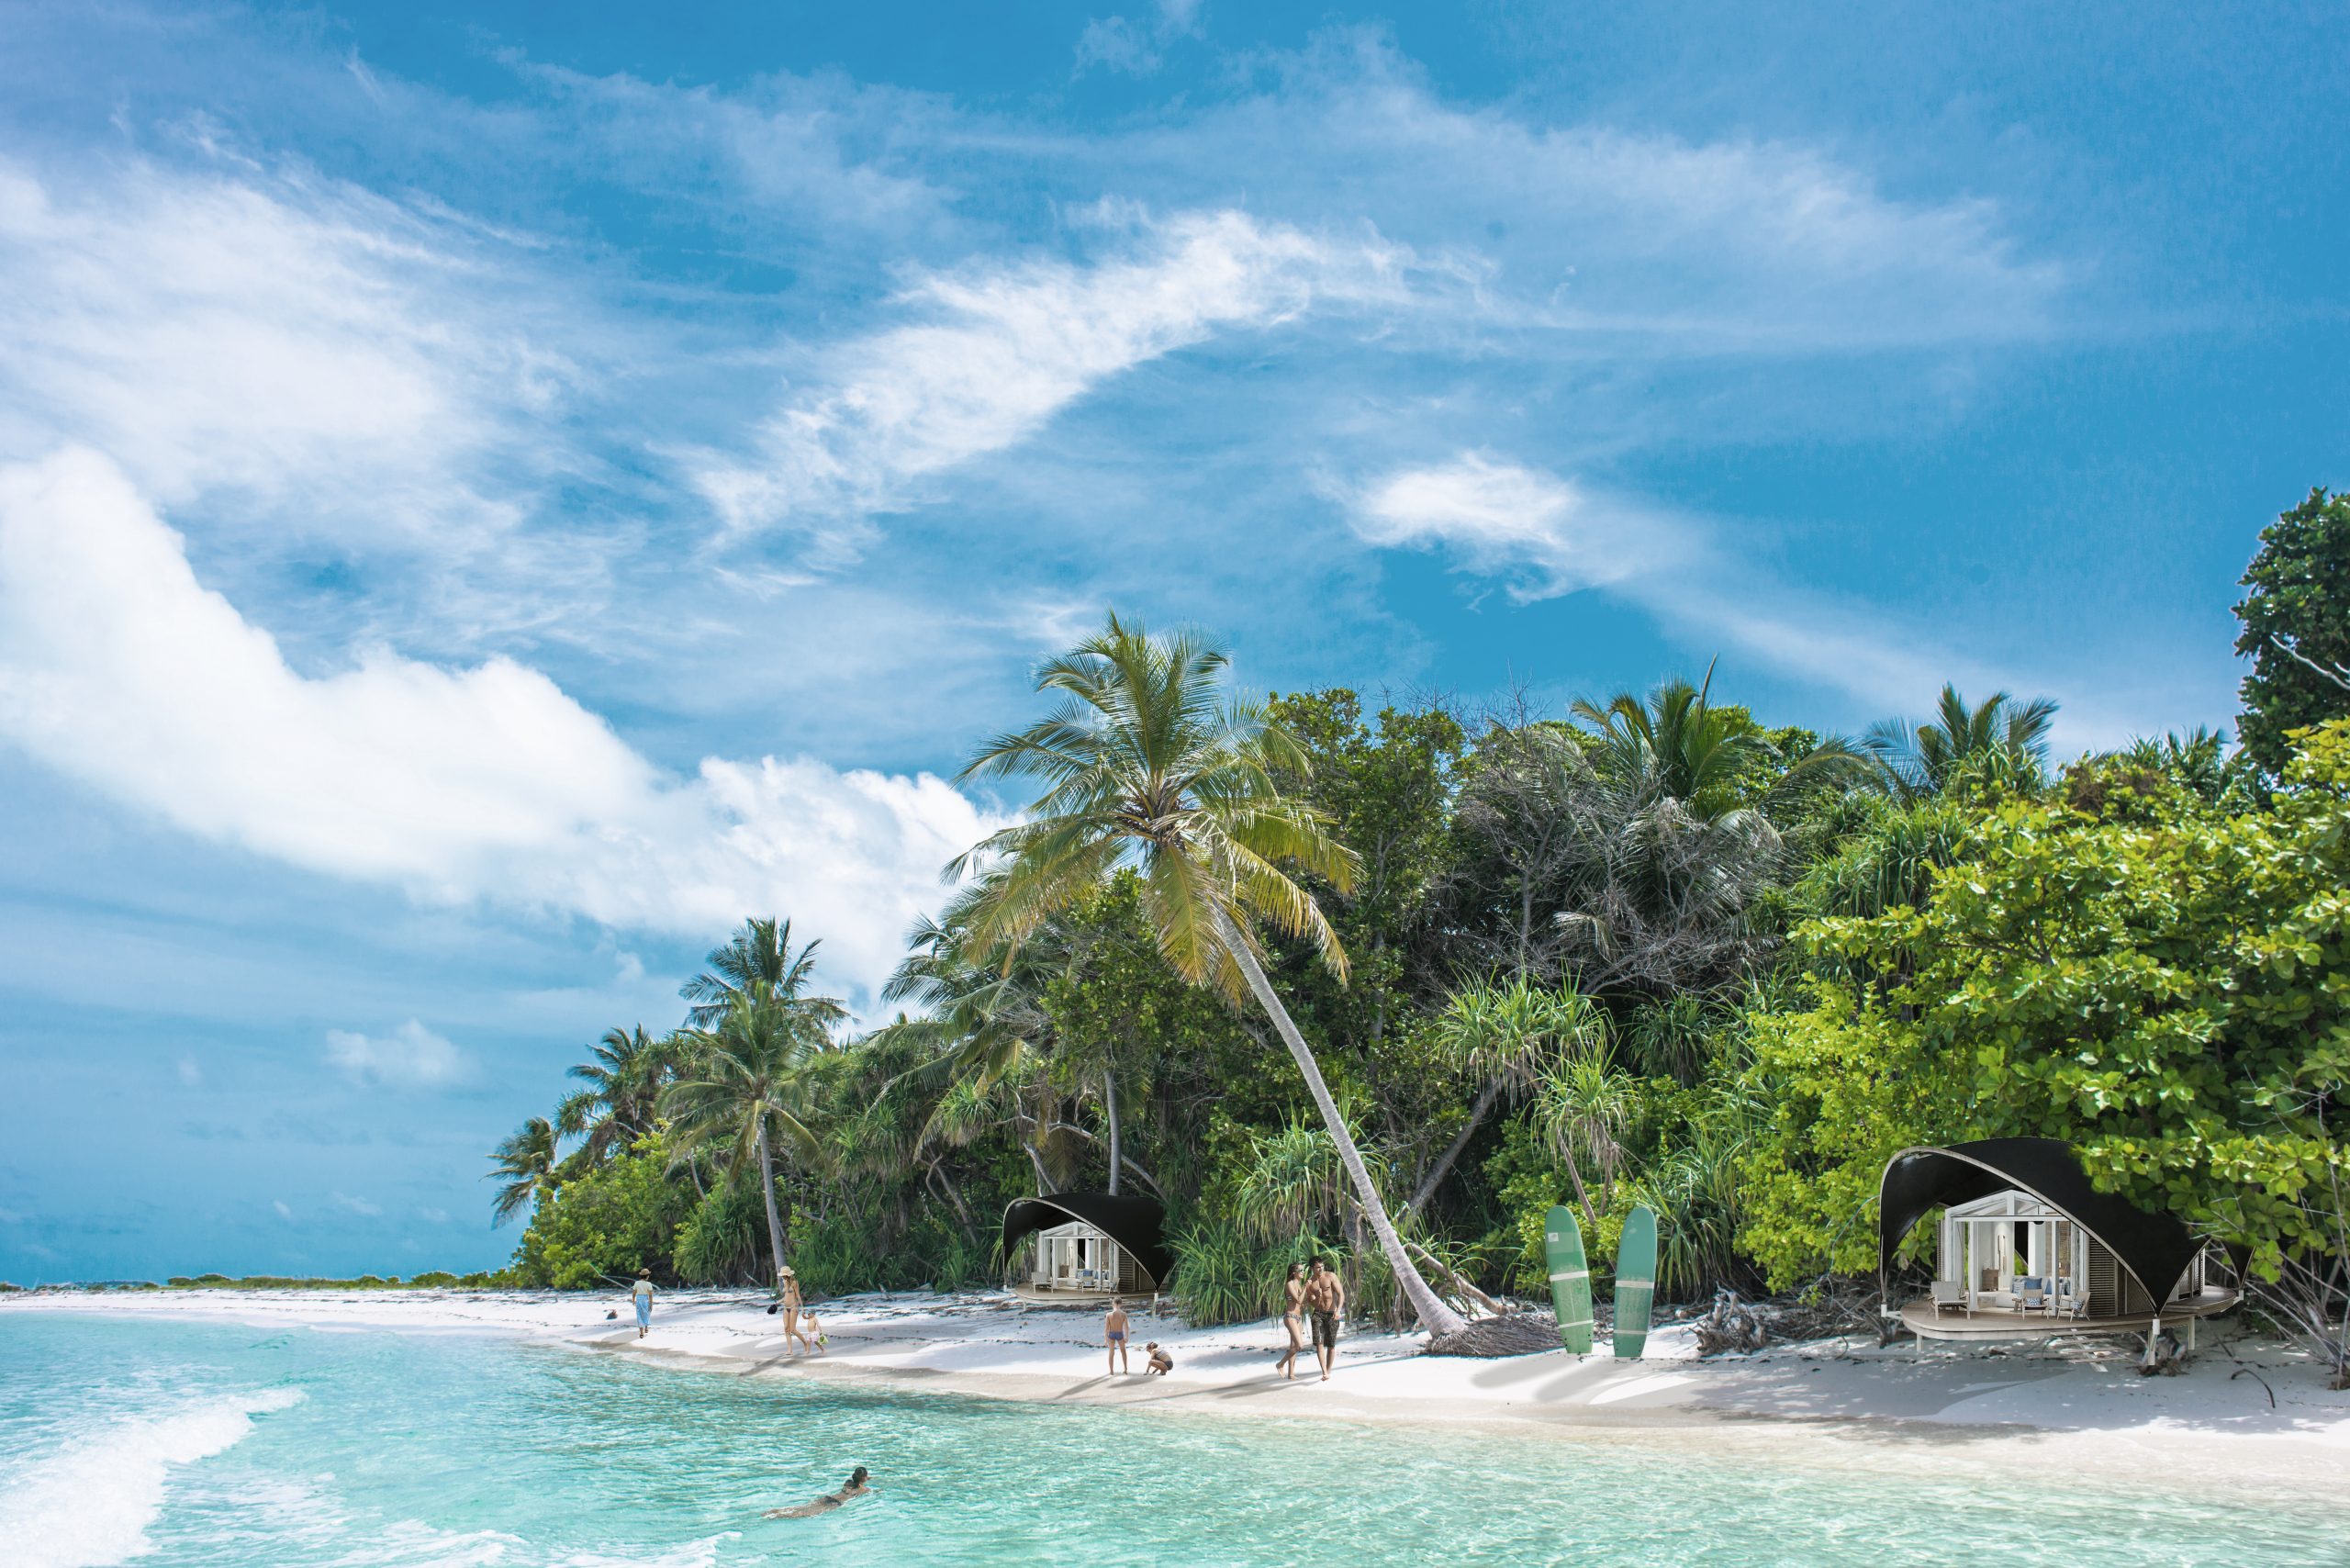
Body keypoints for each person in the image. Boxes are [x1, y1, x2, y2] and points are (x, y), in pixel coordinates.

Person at [764, 1466, 874, 1519]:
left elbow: (857, 1481)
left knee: (801, 1507)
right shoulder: (864, 1490)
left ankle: (774, 1511)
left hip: (828, 1498)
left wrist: (864, 1478)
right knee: (805, 1513)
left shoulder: (848, 1482)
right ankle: (777, 1516)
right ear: (864, 1478)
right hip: (835, 1504)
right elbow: (867, 1490)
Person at [1305, 1259, 1344, 1382]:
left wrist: (1338, 1311)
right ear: (1312, 1268)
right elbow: (1311, 1302)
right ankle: (1324, 1371)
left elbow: (1341, 1294)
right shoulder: (1310, 1283)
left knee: (1331, 1345)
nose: (1320, 1269)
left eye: (1322, 1266)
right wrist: (1318, 1296)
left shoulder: (1330, 1276)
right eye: (1317, 1267)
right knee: (1319, 1343)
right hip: (1318, 1314)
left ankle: (1328, 1370)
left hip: (1332, 1314)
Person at [1275, 1261, 1305, 1380]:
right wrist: (1306, 1287)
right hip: (1291, 1317)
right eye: (1300, 1270)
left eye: (1303, 1270)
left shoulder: (1299, 1285)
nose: (1303, 1272)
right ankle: (1280, 1364)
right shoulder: (1290, 1284)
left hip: (1298, 1318)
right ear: (1294, 1273)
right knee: (1299, 1346)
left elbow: (1302, 1302)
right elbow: (1298, 1300)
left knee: (1293, 1346)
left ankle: (1291, 1374)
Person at [777, 1266, 813, 1356]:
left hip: (793, 1307)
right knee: (786, 1329)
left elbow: (798, 1296)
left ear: (787, 1275)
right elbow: (786, 1296)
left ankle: (805, 1343)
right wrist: (778, 1302)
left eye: (783, 1275)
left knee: (792, 1329)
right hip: (786, 1307)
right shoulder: (784, 1282)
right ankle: (790, 1350)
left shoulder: (794, 1282)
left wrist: (802, 1308)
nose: (782, 1277)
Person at [1104, 1298, 1131, 1374]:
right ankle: (1125, 1369)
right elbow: (1126, 1327)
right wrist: (1126, 1336)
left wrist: (1105, 1339)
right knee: (1123, 1351)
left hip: (1111, 1334)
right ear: (1121, 1304)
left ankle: (1111, 1371)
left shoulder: (1108, 1314)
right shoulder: (1123, 1314)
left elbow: (1106, 1328)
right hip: (1120, 1333)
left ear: (1113, 1304)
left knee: (1111, 1352)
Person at [632, 1269, 655, 1339]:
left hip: (639, 1299)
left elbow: (634, 1292)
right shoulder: (649, 1284)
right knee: (647, 1313)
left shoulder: (637, 1283)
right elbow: (650, 1295)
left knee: (639, 1315)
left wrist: (633, 1300)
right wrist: (651, 1304)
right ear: (647, 1276)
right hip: (646, 1299)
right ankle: (646, 1328)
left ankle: (641, 1333)